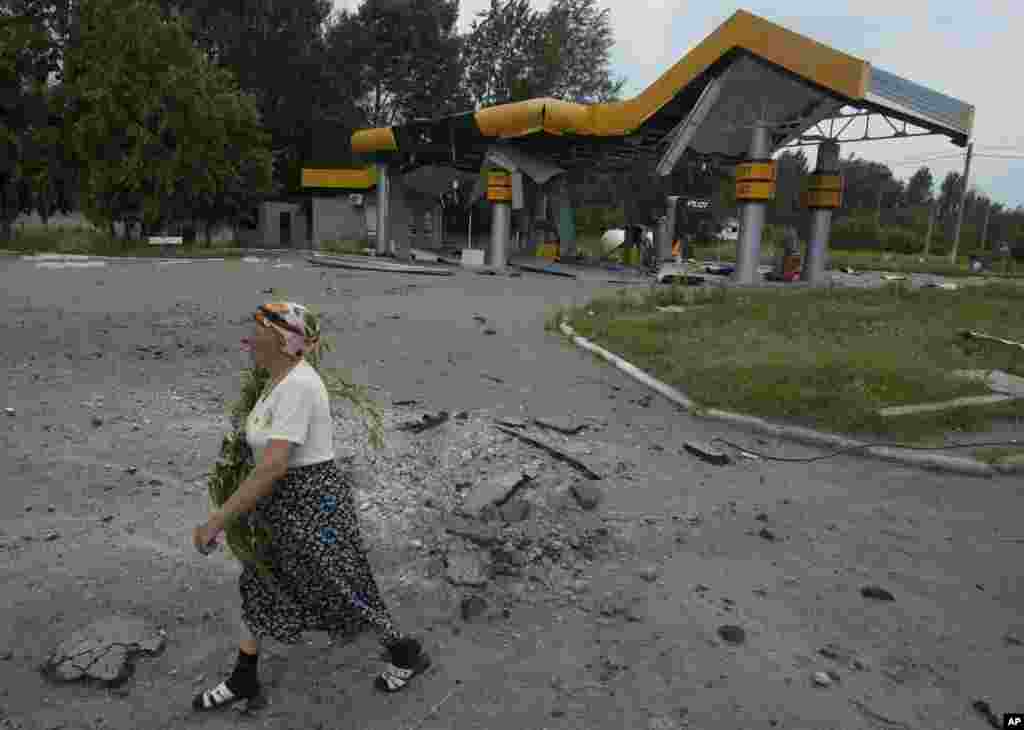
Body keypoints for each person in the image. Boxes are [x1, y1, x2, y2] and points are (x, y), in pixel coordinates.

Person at [191, 301, 430, 711]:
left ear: (283, 340)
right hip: (278, 505)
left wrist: (217, 520)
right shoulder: (275, 381)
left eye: (260, 327)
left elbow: (273, 466)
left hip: (313, 505)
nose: (250, 334)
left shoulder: (300, 385)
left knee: (342, 585)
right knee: (260, 582)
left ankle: (405, 653)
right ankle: (243, 677)